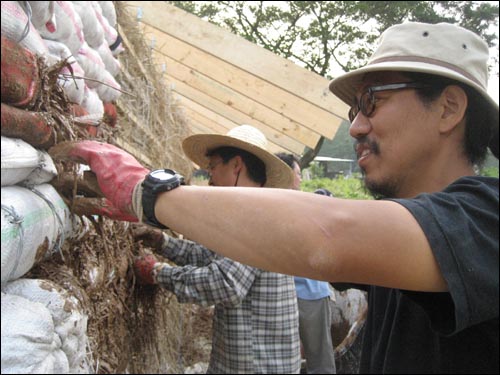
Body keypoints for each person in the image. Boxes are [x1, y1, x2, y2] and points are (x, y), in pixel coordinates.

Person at [49, 21, 499, 373]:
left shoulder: (487, 219)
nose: (357, 127)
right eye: (353, 110)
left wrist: (146, 193)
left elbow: (326, 236)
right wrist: (166, 235)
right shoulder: (411, 233)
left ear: (448, 108)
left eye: (372, 102)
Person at [133, 125, 301, 374]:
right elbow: (211, 256)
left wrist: (157, 273)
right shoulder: (247, 213)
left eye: (212, 166)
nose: (209, 178)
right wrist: (162, 242)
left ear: (236, 166)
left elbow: (224, 283)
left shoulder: (256, 218)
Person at [275, 152, 336, 374]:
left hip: (309, 294)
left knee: (318, 358)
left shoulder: (304, 204)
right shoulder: (279, 204)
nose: (300, 179)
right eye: (298, 173)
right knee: (309, 357)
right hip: (297, 295)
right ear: (285, 173)